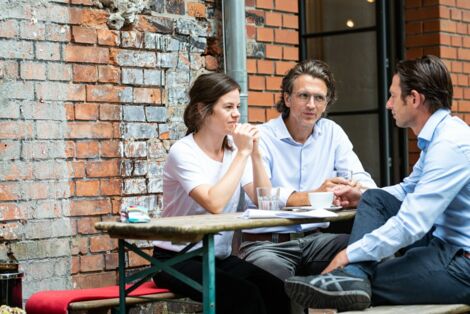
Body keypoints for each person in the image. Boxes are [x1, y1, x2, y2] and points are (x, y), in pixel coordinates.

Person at [285, 55, 470, 311]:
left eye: (394, 96)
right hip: (441, 247)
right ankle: (355, 275)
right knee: (373, 198)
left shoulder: (449, 145)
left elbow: (413, 224)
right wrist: (360, 195)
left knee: (348, 291)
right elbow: (406, 190)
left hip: (462, 264)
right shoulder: (440, 136)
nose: (388, 104)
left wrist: (348, 255)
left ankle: (354, 275)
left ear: (414, 99)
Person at [238, 59, 377, 313]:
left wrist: (355, 191)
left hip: (316, 241)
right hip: (267, 244)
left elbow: (365, 181)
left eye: (319, 98)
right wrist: (315, 196)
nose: (311, 105)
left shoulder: (332, 133)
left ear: (326, 103)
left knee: (368, 251)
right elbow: (260, 197)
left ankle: (325, 299)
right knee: (274, 277)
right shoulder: (263, 137)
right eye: (303, 95)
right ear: (287, 98)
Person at [152, 72, 289, 314]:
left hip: (218, 257)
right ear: (203, 110)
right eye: (228, 107)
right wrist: (243, 154)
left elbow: (266, 203)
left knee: (276, 290)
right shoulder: (183, 152)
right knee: (244, 297)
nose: (237, 113)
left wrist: (255, 155)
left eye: (238, 106)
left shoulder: (235, 150)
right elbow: (214, 203)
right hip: (176, 259)